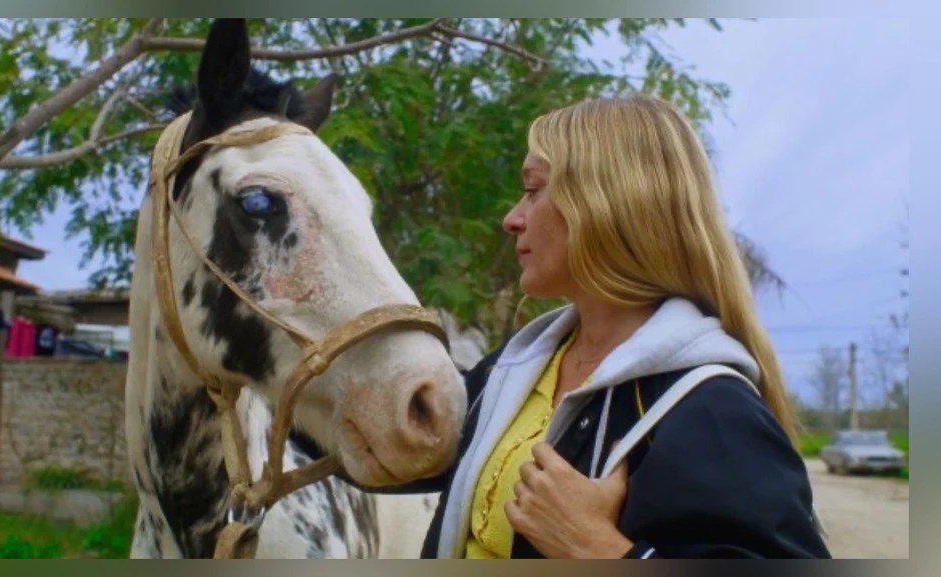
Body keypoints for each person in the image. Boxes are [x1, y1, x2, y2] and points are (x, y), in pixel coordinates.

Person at [317, 94, 830, 558]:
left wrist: (598, 548)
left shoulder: (710, 409)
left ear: (608, 206)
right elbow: (399, 449)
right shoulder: (516, 370)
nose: (511, 219)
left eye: (533, 190)